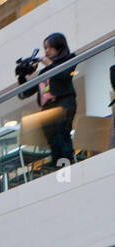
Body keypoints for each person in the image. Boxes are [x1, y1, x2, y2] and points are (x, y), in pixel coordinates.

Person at [17, 33, 78, 167]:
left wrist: (49, 64)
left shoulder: (69, 59)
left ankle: (68, 166)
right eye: (45, 48)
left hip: (64, 103)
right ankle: (58, 168)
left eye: (50, 47)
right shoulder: (44, 72)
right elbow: (25, 93)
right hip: (47, 109)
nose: (47, 51)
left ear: (59, 47)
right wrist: (22, 75)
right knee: (52, 140)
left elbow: (65, 76)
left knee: (63, 134)